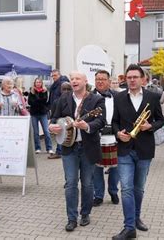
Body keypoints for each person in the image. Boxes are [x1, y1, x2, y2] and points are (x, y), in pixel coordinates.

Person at [111, 64, 164, 240]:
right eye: (129, 77)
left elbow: (161, 120)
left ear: (143, 79)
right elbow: (114, 122)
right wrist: (118, 133)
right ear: (125, 79)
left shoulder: (153, 97)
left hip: (144, 149)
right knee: (126, 189)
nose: (132, 80)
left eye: (135, 77)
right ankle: (129, 227)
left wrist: (150, 126)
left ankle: (136, 218)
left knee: (138, 188)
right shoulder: (118, 97)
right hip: (125, 148)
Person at [48, 71, 105, 232]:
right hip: (69, 148)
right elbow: (54, 119)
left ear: (85, 81)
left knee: (87, 184)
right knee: (71, 183)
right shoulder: (63, 99)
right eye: (72, 79)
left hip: (88, 147)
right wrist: (51, 126)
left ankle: (85, 213)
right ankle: (71, 218)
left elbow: (101, 121)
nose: (74, 81)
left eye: (77, 79)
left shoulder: (96, 100)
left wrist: (87, 126)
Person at [91, 70, 120, 207]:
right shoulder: (89, 97)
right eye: (97, 79)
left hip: (114, 136)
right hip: (96, 137)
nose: (100, 81)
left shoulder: (118, 97)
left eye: (103, 79)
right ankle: (98, 195)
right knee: (97, 168)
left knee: (115, 168)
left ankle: (113, 191)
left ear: (109, 81)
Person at [48, 82, 73, 159]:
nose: (66, 91)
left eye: (68, 89)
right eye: (64, 89)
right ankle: (59, 152)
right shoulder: (56, 101)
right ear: (60, 90)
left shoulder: (74, 101)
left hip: (71, 125)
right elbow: (54, 115)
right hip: (60, 125)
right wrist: (52, 124)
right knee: (60, 138)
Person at [28, 78, 52, 155]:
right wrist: (38, 101)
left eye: (39, 82)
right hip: (34, 114)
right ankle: (37, 148)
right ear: (34, 83)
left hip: (43, 113)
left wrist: (36, 100)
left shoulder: (44, 91)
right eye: (36, 82)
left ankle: (49, 148)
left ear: (42, 83)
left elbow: (44, 100)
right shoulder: (31, 91)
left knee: (46, 131)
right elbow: (29, 102)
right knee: (36, 132)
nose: (38, 83)